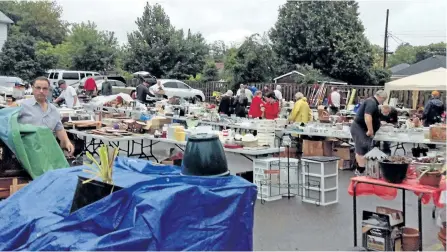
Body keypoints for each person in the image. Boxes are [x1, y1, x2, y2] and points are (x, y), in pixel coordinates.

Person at [18, 76, 74, 155]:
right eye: (38, 88)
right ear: (33, 88)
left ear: (48, 90)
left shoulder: (53, 110)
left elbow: (59, 129)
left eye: (44, 88)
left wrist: (67, 142)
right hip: (27, 152)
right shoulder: (22, 106)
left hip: (48, 152)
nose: (41, 91)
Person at [350, 90, 388, 175]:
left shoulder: (373, 102)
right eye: (384, 100)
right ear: (382, 98)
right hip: (359, 128)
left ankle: (361, 168)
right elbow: (367, 116)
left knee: (363, 148)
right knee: (362, 148)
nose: (383, 102)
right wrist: (370, 130)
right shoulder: (371, 102)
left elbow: (373, 116)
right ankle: (361, 170)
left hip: (362, 128)